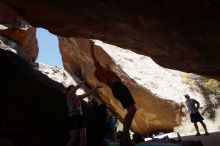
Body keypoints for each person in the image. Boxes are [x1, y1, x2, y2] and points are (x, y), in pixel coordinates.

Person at [90, 41, 136, 146]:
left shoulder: (106, 74)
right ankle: (125, 138)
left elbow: (111, 76)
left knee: (132, 110)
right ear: (98, 72)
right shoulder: (99, 69)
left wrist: (108, 68)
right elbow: (93, 56)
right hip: (119, 88)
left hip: (119, 88)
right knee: (132, 110)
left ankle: (125, 137)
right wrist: (91, 44)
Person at [66, 80, 103, 146]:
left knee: (83, 138)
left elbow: (88, 93)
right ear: (70, 90)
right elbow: (75, 88)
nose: (74, 89)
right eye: (73, 88)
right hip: (73, 117)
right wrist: (83, 82)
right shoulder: (68, 96)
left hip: (80, 117)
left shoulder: (78, 97)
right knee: (73, 138)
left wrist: (96, 87)